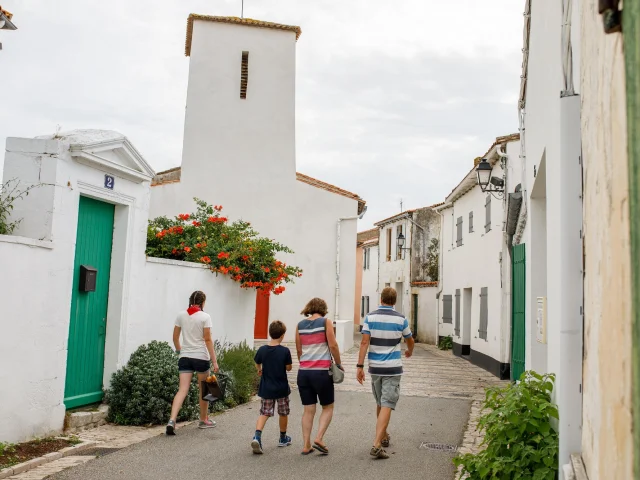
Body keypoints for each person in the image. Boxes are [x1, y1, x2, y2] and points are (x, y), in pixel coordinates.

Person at [356, 287, 414, 459]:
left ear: (380, 299)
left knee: (381, 403)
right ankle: (376, 444)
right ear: (394, 301)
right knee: (387, 403)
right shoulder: (401, 319)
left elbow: (364, 343)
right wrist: (410, 350)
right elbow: (410, 339)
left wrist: (359, 366)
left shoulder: (370, 318)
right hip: (393, 367)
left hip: (375, 367)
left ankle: (384, 435)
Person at [166, 290, 219, 435]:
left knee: (182, 390)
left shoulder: (181, 315)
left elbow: (175, 337)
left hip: (185, 357)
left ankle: (172, 420)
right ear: (202, 302)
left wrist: (179, 351)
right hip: (201, 357)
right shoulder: (205, 317)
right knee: (205, 389)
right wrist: (214, 362)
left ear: (190, 301)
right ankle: (203, 420)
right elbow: (207, 340)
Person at [295, 298, 343, 455]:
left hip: (304, 373)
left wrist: (305, 363)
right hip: (321, 372)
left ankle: (306, 445)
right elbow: (333, 345)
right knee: (328, 406)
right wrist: (338, 363)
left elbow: (299, 350)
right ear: (323, 309)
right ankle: (319, 438)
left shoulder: (299, 325)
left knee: (308, 410)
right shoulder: (325, 322)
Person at [251, 320, 293, 454]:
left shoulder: (262, 349)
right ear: (282, 335)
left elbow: (257, 362)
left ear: (270, 333)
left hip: (267, 387)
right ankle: (282, 438)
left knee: (264, 412)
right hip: (281, 388)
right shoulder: (285, 351)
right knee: (283, 413)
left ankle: (257, 436)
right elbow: (289, 368)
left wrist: (259, 369)